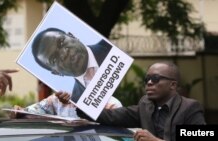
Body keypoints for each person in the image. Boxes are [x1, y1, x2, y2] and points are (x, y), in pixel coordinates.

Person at [75, 61, 206, 141]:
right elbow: (111, 116)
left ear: (172, 85)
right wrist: (77, 101)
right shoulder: (145, 105)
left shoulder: (189, 108)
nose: (149, 82)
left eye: (155, 78)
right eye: (147, 78)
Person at [32, 28, 112, 103]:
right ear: (56, 72)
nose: (64, 53)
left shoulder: (113, 49)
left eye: (61, 42)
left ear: (71, 35)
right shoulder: (76, 102)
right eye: (54, 59)